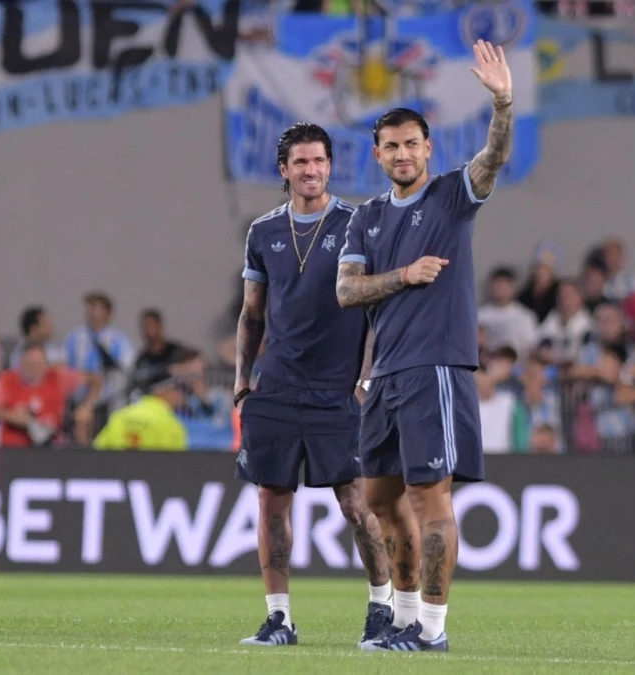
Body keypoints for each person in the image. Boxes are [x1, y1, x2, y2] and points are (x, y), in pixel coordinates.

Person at [335, 39, 513, 652]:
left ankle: (432, 631)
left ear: (428, 149)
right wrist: (404, 276)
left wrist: (503, 104)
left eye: (413, 143)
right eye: (392, 146)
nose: (404, 153)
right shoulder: (366, 218)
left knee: (428, 497)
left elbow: (493, 158)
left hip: (434, 366)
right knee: (381, 500)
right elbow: (347, 291)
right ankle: (403, 620)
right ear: (378, 155)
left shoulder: (451, 197)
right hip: (384, 375)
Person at [233, 123, 391, 649]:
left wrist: (365, 380)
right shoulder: (262, 232)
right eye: (300, 162)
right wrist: (241, 382)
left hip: (337, 390)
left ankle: (382, 607)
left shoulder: (357, 223)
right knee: (271, 504)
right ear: (284, 170)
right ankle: (279, 619)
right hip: (276, 387)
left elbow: (376, 309)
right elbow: (251, 315)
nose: (311, 170)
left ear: (330, 165)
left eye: (319, 161)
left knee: (356, 504)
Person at [93, 359, 189, 451]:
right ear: (162, 390)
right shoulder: (170, 424)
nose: (181, 395)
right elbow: (176, 463)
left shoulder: (119, 416)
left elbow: (98, 451)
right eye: (177, 389)